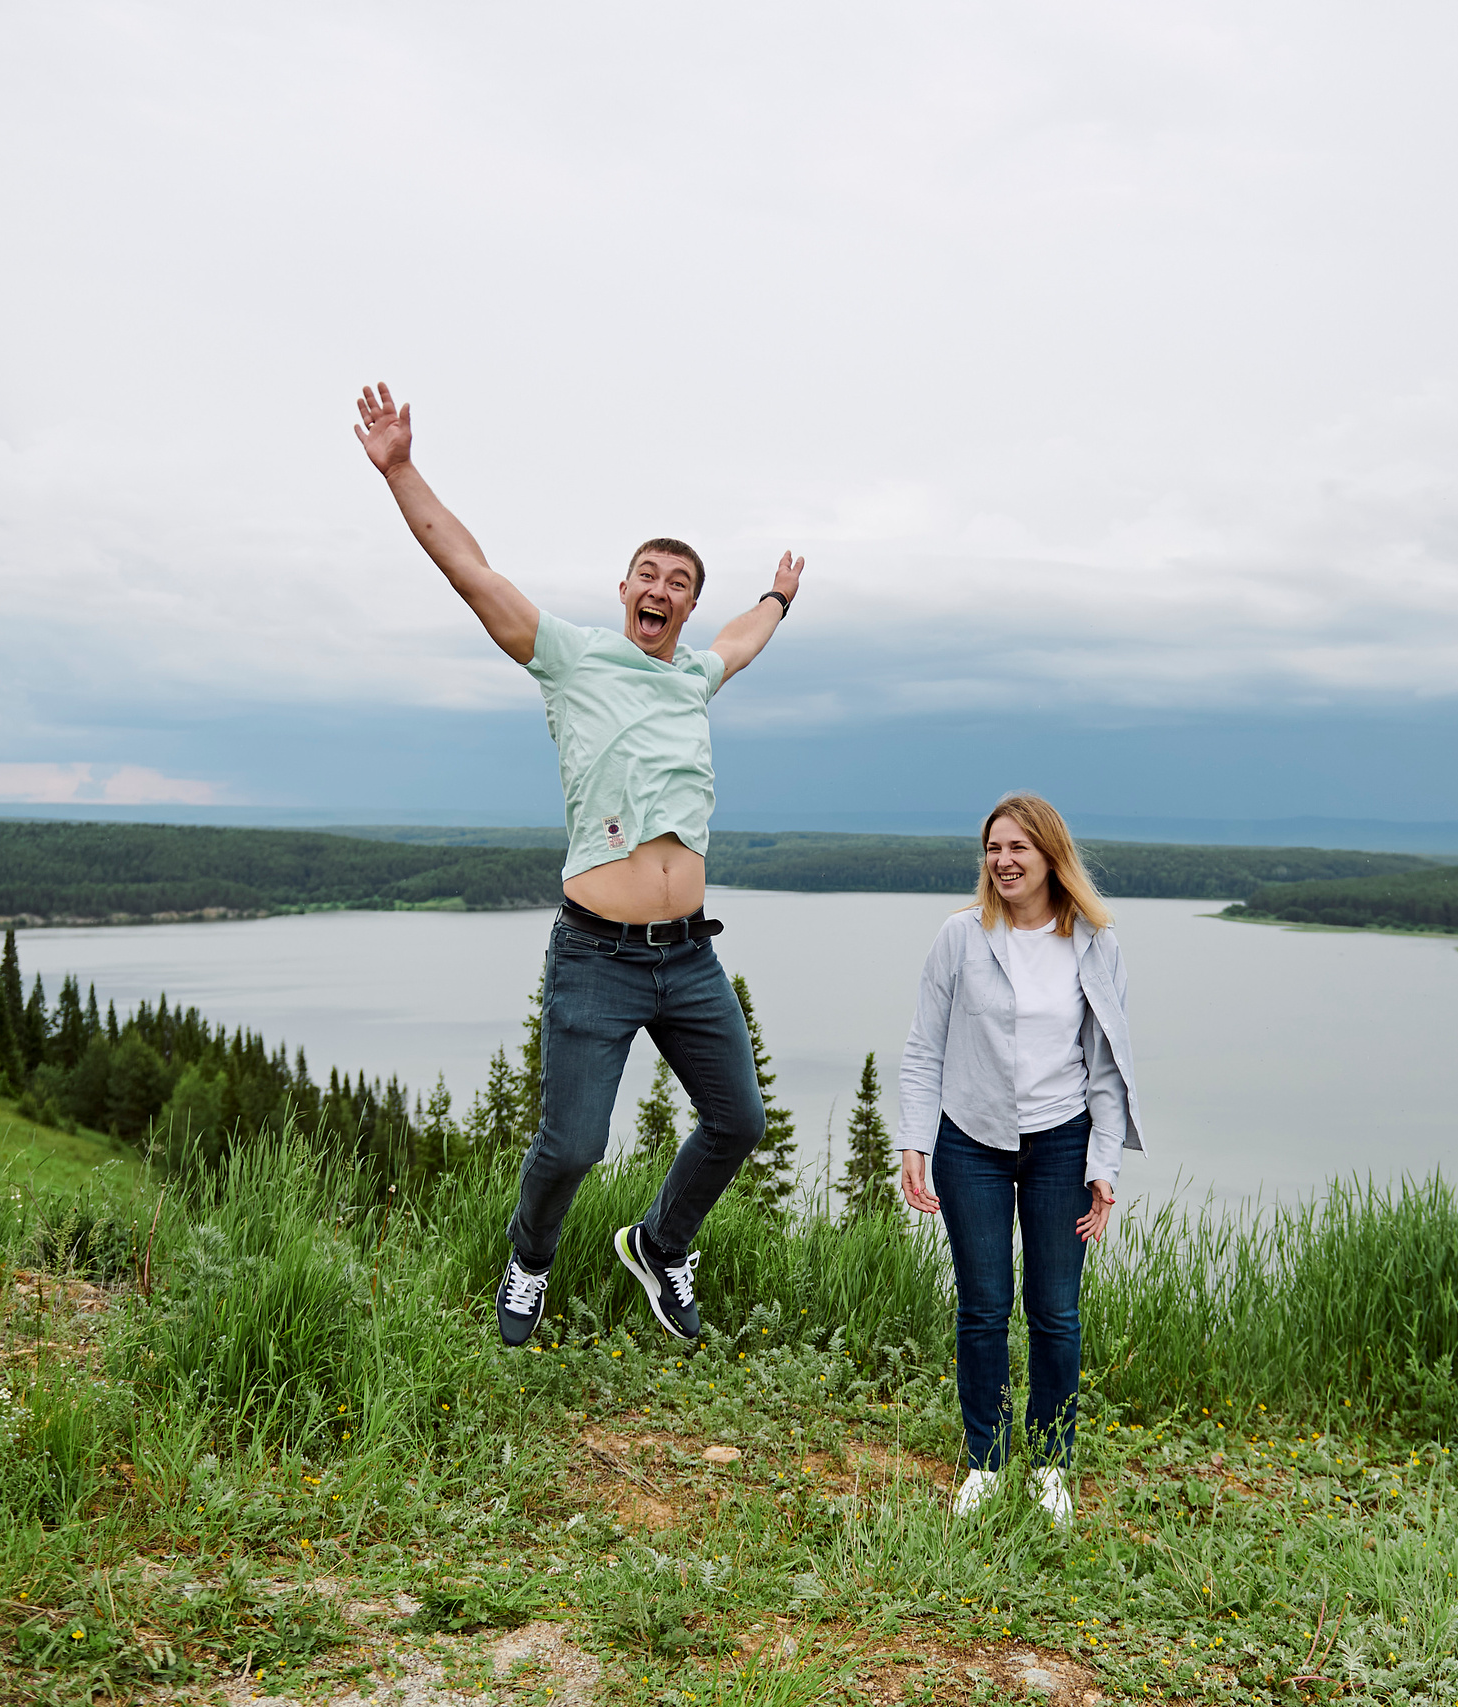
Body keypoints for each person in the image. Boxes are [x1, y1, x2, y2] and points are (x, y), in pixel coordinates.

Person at [353, 382, 805, 1346]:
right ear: (623, 589)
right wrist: (400, 469)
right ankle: (529, 1261)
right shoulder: (569, 658)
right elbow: (472, 572)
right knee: (572, 1144)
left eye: (678, 581)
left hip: (687, 957)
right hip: (596, 956)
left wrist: (776, 596)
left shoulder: (695, 677)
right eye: (647, 573)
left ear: (688, 603)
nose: (660, 589)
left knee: (740, 1122)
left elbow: (744, 640)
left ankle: (659, 1243)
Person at [897, 793, 1143, 1522]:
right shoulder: (960, 936)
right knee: (982, 1308)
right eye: (993, 848)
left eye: (1018, 849)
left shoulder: (1095, 942)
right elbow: (923, 1046)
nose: (1003, 860)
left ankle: (1052, 1466)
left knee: (1056, 1312)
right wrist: (915, 1140)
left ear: (1050, 857)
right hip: (969, 1140)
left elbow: (1106, 1066)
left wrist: (1105, 1163)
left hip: (1061, 1143)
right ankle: (985, 1462)